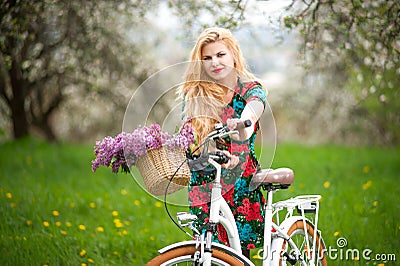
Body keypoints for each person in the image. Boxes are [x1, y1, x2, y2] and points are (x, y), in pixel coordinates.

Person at [178, 27, 267, 259]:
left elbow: (253, 110)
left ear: (233, 55)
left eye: (220, 55)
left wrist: (243, 124)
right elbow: (191, 136)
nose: (214, 62)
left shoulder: (250, 89)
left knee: (238, 255)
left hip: (239, 182)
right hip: (205, 178)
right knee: (206, 252)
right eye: (207, 58)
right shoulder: (195, 93)